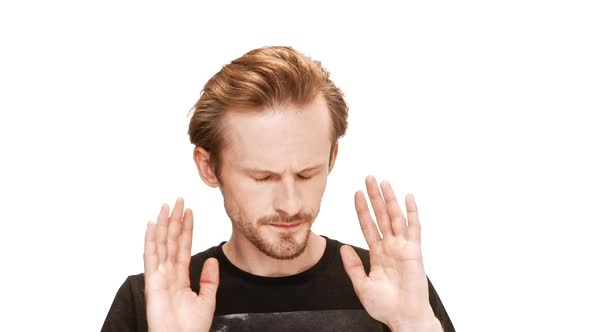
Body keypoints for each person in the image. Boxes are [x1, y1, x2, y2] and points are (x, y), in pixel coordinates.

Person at [101, 46, 455, 332]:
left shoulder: (396, 289)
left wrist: (413, 324)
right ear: (209, 167)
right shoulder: (150, 302)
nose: (290, 204)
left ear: (331, 158)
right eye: (262, 177)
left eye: (306, 174)